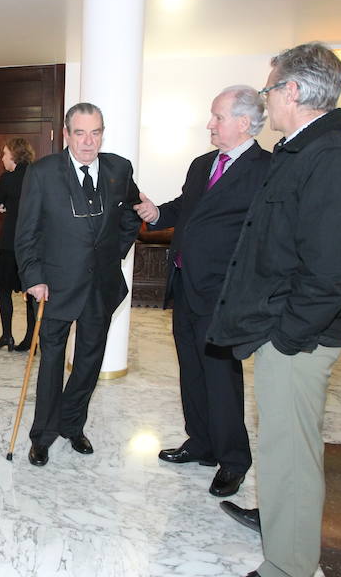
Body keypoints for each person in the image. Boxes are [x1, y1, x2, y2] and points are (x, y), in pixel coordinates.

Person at [208, 42, 341, 577]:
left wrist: (285, 337)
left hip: (297, 340)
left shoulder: (331, 159)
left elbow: (327, 272)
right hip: (286, 331)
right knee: (283, 450)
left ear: (294, 91)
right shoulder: (307, 151)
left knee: (291, 455)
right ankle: (282, 531)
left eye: (269, 89)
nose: (266, 102)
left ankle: (288, 566)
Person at [133, 85, 270, 497]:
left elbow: (265, 234)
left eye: (218, 117)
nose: (210, 124)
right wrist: (158, 213)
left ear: (244, 122)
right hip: (185, 284)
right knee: (191, 369)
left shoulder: (267, 168)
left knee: (221, 376)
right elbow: (186, 207)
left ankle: (233, 459)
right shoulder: (202, 164)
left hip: (224, 293)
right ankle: (201, 442)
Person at [15, 102, 142, 467]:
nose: (89, 141)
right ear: (67, 134)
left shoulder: (119, 168)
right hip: (55, 286)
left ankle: (73, 424)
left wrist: (113, 252)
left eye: (96, 132)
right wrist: (34, 278)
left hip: (100, 286)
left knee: (89, 361)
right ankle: (43, 435)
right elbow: (27, 234)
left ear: (103, 133)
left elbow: (133, 213)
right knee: (52, 361)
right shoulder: (42, 173)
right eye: (81, 133)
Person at [0, 137, 37, 352]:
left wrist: (4, 206)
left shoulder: (7, 178)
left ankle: (7, 335)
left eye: (5, 154)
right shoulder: (37, 175)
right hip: (33, 244)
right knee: (32, 292)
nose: (2, 158)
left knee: (3, 290)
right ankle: (31, 340)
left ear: (14, 156)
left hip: (10, 244)